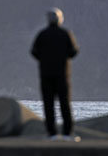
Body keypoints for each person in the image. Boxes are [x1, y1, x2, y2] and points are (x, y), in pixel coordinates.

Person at [31, 8, 79, 140]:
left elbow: (34, 52)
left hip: (46, 75)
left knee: (48, 105)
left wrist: (44, 59)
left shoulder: (42, 35)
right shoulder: (65, 34)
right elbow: (74, 51)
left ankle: (51, 133)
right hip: (62, 75)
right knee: (65, 104)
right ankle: (67, 133)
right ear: (60, 19)